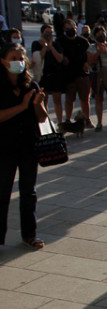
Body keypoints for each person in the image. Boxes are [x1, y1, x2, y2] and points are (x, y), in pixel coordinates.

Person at [0, 42, 48, 249]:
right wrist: (21, 106)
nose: (19, 62)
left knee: (29, 191)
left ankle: (30, 234)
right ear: (3, 61)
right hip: (4, 146)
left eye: (21, 58)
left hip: (29, 145)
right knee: (2, 193)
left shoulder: (31, 85)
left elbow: (42, 118)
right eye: (14, 58)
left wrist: (37, 105)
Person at [86, 25, 107, 132]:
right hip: (96, 74)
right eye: (99, 33)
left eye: (103, 32)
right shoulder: (91, 47)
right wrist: (98, 52)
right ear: (95, 35)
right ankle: (99, 122)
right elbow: (90, 61)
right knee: (98, 98)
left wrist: (106, 53)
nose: (102, 35)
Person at [59, 19, 92, 127]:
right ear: (64, 29)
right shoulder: (61, 41)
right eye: (67, 29)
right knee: (69, 99)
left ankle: (87, 119)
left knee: (85, 99)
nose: (70, 30)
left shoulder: (83, 41)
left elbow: (90, 55)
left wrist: (87, 63)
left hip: (82, 74)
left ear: (76, 28)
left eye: (72, 28)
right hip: (68, 75)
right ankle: (68, 120)